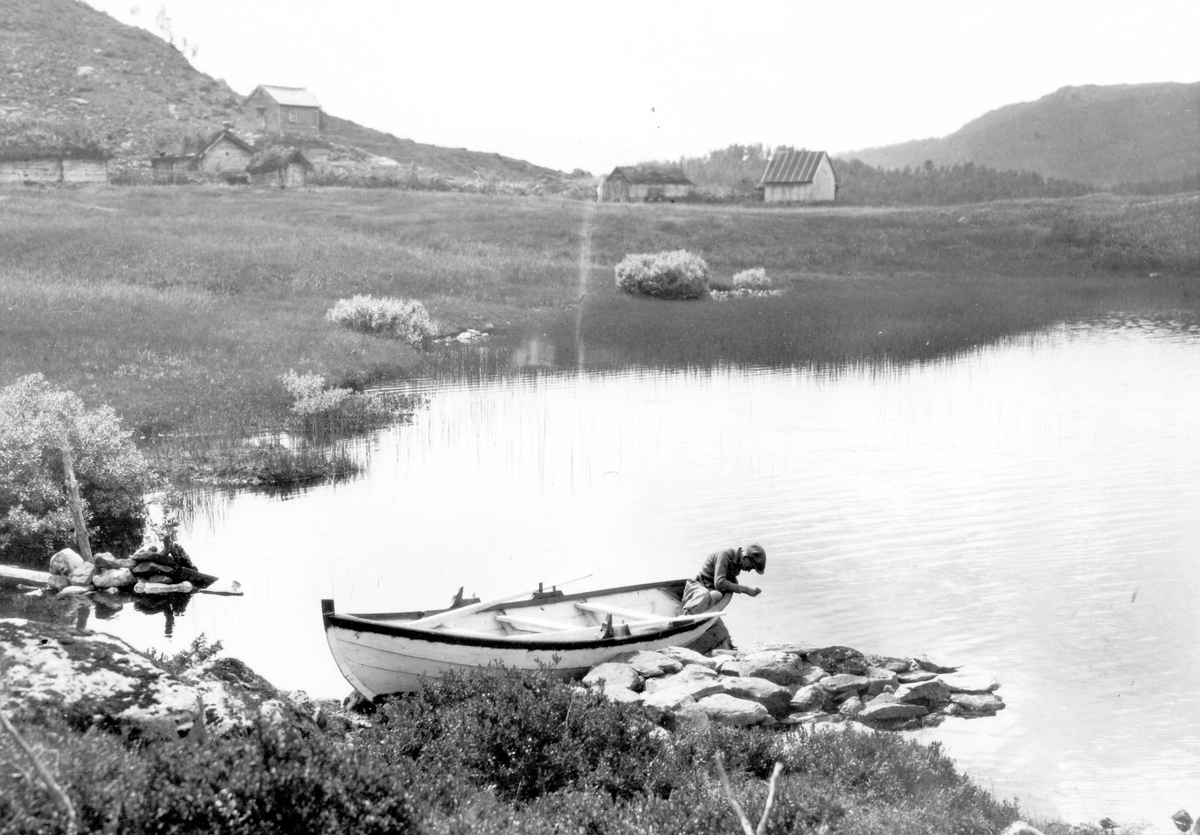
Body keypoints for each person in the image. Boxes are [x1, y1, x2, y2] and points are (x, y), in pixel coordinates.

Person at [681, 543, 766, 615]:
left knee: (716, 595)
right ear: (746, 558)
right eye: (750, 567)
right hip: (697, 586)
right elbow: (719, 583)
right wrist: (746, 590)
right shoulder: (725, 555)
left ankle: (697, 615)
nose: (748, 570)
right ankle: (687, 615)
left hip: (709, 588)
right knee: (705, 594)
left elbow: (729, 580)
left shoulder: (737, 563)